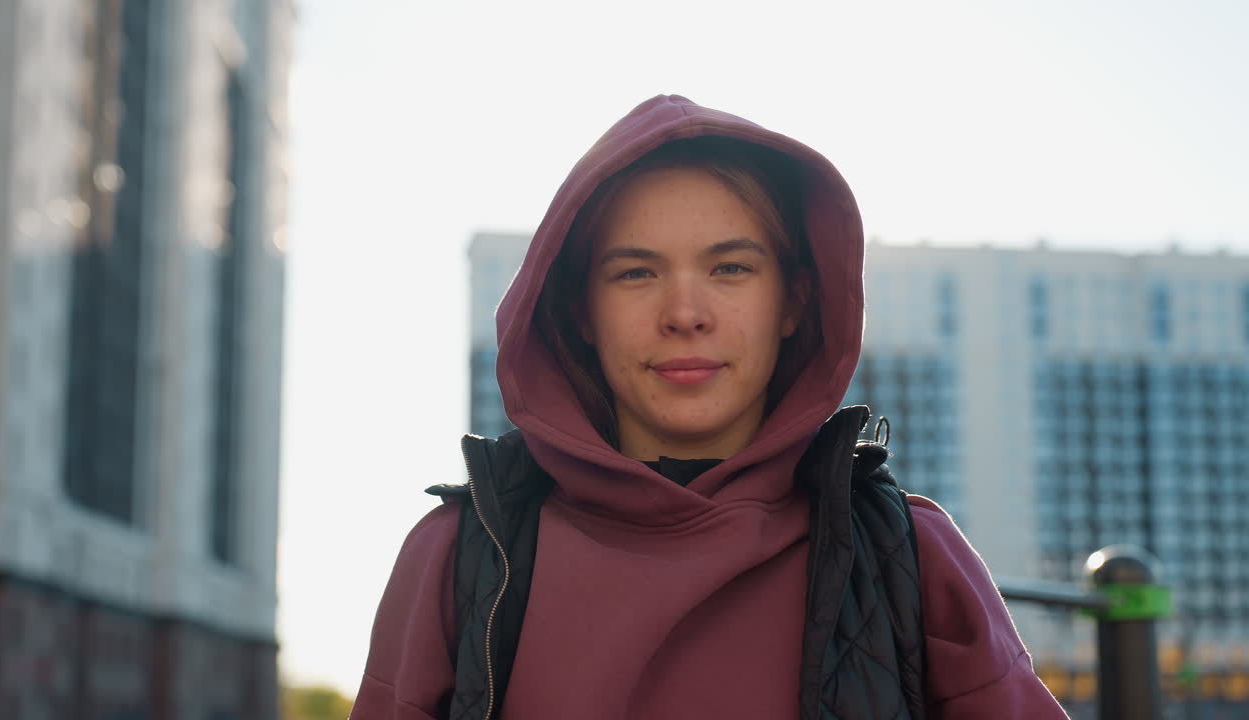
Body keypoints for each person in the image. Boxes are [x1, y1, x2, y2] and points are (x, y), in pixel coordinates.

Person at [352, 95, 1068, 719]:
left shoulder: (907, 553)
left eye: (730, 268)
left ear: (792, 301)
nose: (685, 312)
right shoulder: (458, 555)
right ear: (579, 312)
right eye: (636, 272)